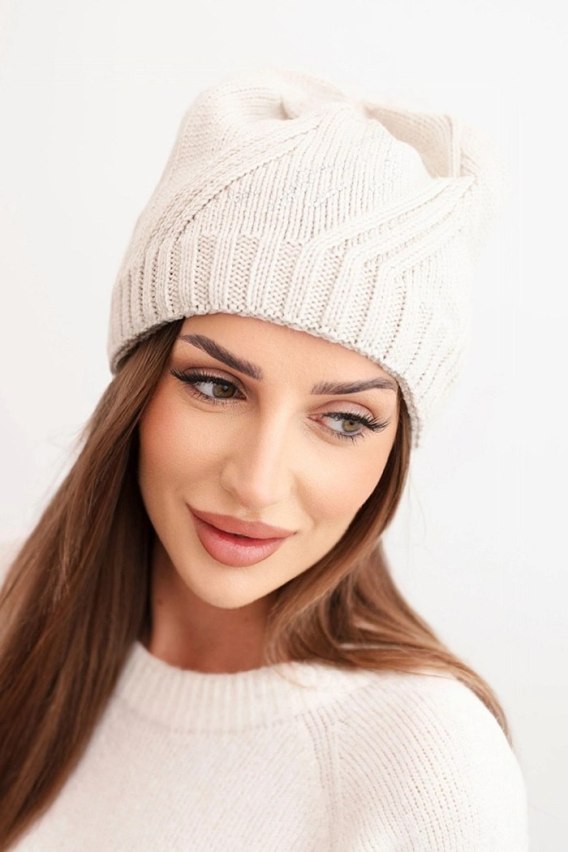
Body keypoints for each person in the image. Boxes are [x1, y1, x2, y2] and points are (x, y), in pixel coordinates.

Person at [0, 67, 529, 850]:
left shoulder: (426, 762)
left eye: (344, 420)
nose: (256, 481)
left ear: (393, 452)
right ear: (137, 389)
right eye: (216, 387)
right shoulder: (14, 621)